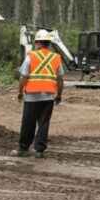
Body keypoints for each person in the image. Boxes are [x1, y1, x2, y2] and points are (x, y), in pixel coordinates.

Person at [12, 30, 64, 158]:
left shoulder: (31, 56)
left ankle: (23, 149)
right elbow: (60, 79)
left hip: (32, 96)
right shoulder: (55, 58)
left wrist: (20, 92)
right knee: (43, 123)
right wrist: (59, 95)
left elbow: (23, 76)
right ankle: (40, 151)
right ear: (49, 43)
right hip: (48, 97)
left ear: (37, 43)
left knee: (28, 123)